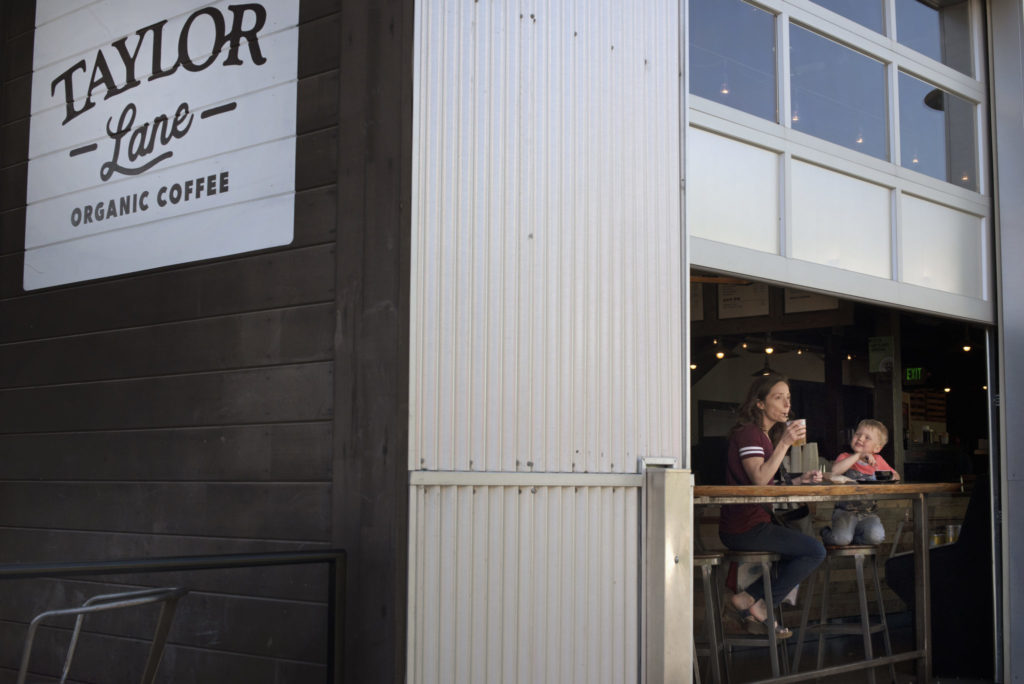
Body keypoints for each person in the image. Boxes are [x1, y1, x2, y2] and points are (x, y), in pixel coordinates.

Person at [720, 373, 826, 638]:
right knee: (814, 550)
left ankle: (751, 600)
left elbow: (766, 485)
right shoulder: (749, 434)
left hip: (755, 523)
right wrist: (786, 443)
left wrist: (800, 480)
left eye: (788, 398)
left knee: (806, 547)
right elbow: (758, 478)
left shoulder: (764, 436)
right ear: (759, 403)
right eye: (778, 398)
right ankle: (757, 603)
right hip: (744, 526)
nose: (786, 404)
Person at [821, 419, 900, 546]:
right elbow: (835, 471)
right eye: (857, 434)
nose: (860, 438)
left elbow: (896, 476)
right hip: (845, 512)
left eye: (867, 437)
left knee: (876, 538)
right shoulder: (845, 457)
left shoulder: (878, 460)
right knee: (841, 540)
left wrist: (883, 474)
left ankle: (852, 538)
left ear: (877, 448)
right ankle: (825, 533)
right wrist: (858, 456)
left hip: (869, 514)